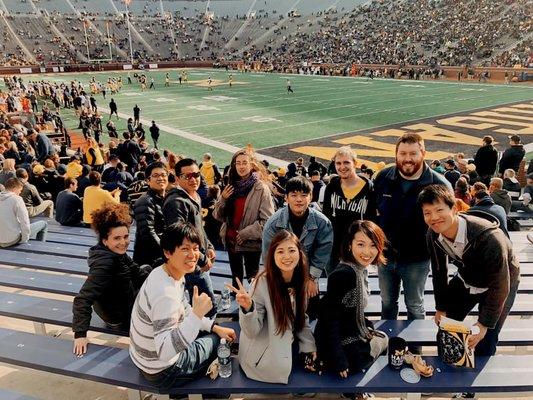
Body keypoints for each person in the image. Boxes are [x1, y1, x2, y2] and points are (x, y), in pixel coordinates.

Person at [129, 222, 236, 388]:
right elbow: (165, 352)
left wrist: (214, 326)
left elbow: (184, 311)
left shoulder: (165, 273)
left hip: (143, 359)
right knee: (220, 343)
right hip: (162, 371)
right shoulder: (166, 294)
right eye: (185, 249)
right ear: (167, 252)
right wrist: (197, 315)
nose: (193, 255)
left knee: (214, 333)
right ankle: (215, 393)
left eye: (195, 248)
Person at [419, 184, 519, 359]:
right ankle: (449, 373)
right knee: (446, 328)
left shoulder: (489, 238)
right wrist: (441, 307)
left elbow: (500, 284)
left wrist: (483, 324)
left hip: (502, 281)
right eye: (427, 213)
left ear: (455, 208)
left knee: (485, 339)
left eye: (439, 210)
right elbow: (439, 271)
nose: (434, 218)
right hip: (468, 275)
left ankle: (478, 383)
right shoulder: (433, 234)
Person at [373, 133, 450, 323]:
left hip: (418, 259)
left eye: (413, 153)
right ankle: (387, 343)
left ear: (423, 153)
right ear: (396, 154)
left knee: (414, 304)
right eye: (403, 153)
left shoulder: (439, 184)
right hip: (386, 256)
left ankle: (415, 348)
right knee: (387, 302)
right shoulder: (383, 177)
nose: (407, 159)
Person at [227, 230, 316, 384]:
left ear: (300, 253)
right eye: (280, 251)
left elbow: (301, 317)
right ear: (272, 256)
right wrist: (248, 308)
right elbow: (251, 331)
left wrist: (309, 346)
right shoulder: (262, 282)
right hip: (261, 358)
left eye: (292, 250)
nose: (287, 257)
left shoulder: (301, 279)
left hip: (286, 343)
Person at [72, 203, 152, 356]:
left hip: (119, 301)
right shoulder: (105, 265)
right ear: (104, 240)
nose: (123, 242)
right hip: (118, 317)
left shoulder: (116, 254)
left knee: (147, 269)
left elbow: (137, 272)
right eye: (117, 238)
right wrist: (80, 335)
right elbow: (82, 299)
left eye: (126, 236)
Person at [315, 220, 388, 379]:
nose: (367, 252)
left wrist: (365, 325)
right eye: (361, 244)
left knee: (380, 337)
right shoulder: (344, 274)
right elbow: (329, 319)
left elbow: (350, 311)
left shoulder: (360, 269)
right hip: (335, 342)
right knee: (384, 341)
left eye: (373, 245)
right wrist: (339, 359)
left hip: (349, 332)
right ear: (350, 244)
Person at [262, 176, 333, 317]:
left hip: (309, 272)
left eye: (304, 195)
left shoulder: (322, 222)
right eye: (294, 195)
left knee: (311, 312)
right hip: (282, 273)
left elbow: (323, 251)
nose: (299, 199)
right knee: (283, 315)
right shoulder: (273, 223)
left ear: (311, 196)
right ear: (286, 198)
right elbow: (268, 256)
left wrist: (311, 279)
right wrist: (280, 283)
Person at [163, 158, 218, 317]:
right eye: (187, 176)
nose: (193, 179)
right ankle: (203, 336)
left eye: (196, 174)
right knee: (208, 307)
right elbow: (181, 238)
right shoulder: (176, 202)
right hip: (190, 262)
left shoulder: (193, 195)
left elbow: (198, 227)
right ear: (178, 178)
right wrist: (201, 258)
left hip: (196, 258)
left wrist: (209, 247)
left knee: (204, 304)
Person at [213, 149, 275, 288]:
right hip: (230, 240)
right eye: (238, 163)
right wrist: (223, 199)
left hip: (250, 243)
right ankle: (238, 305)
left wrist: (246, 233)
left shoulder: (261, 188)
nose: (241, 166)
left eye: (244, 163)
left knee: (253, 280)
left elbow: (268, 221)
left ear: (251, 165)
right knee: (236, 279)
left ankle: (253, 306)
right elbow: (218, 216)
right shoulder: (230, 185)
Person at [322, 146, 376, 271]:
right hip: (334, 248)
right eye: (338, 163)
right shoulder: (331, 187)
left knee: (359, 287)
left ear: (355, 163)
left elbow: (372, 221)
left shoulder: (369, 188)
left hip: (358, 249)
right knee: (335, 285)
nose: (342, 167)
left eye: (346, 162)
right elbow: (326, 217)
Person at [133, 162, 167, 266]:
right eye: (155, 176)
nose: (160, 178)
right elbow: (148, 234)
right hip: (150, 260)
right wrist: (167, 253)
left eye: (163, 175)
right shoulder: (145, 201)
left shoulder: (165, 198)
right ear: (148, 180)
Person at [0, 177, 47, 247]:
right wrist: (24, 240)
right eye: (20, 190)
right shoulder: (17, 199)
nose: (20, 193)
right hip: (11, 240)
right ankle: (39, 248)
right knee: (44, 224)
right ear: (14, 188)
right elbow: (25, 221)